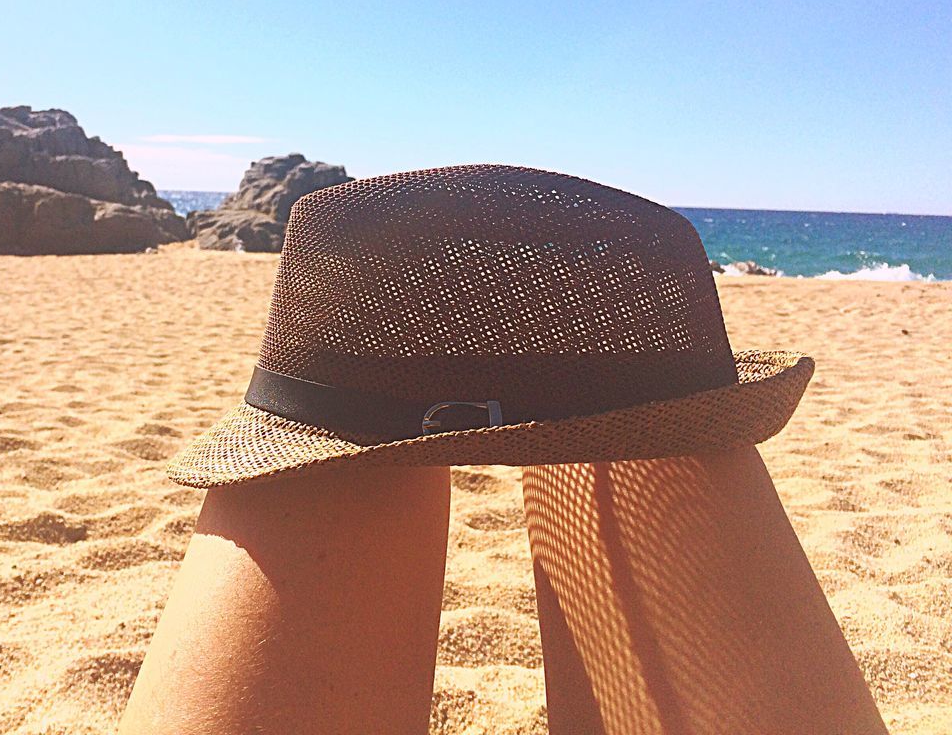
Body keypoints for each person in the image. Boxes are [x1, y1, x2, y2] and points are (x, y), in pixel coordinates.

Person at [118, 166, 886, 734]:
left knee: (345, 478)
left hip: (337, 410)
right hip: (649, 431)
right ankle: (617, 413)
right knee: (648, 444)